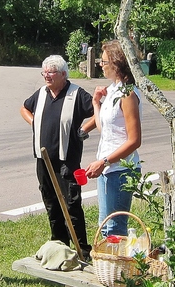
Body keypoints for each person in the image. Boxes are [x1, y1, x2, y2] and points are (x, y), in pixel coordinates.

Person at [21, 55, 95, 255]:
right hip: (43, 160)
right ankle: (60, 246)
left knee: (71, 204)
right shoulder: (41, 93)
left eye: (51, 72)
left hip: (67, 160)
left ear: (63, 74)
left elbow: (100, 111)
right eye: (44, 72)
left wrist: (84, 129)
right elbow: (24, 108)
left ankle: (82, 250)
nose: (46, 76)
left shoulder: (77, 94)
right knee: (51, 203)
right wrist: (34, 122)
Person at [84, 40, 142, 236]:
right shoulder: (113, 91)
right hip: (107, 168)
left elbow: (134, 140)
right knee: (105, 228)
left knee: (114, 230)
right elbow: (105, 130)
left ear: (117, 64)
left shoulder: (127, 94)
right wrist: (96, 103)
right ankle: (109, 258)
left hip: (121, 170)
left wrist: (104, 162)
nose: (101, 65)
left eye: (104, 61)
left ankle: (120, 259)